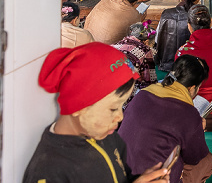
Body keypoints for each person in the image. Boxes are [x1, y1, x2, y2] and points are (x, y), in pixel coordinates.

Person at [23, 42, 170, 183]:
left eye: (121, 106)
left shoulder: (108, 137)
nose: (120, 116)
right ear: (79, 106)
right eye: (113, 108)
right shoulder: (48, 171)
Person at [119, 55, 212, 183]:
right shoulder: (189, 113)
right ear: (192, 88)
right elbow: (194, 158)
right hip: (153, 178)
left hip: (118, 171)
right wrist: (199, 130)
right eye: (198, 88)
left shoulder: (142, 94)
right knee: (208, 161)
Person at [155, 0, 201, 72]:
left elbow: (157, 39)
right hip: (190, 66)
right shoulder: (199, 16)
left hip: (166, 64)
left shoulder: (166, 13)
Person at [113, 21, 158, 108]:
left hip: (102, 92)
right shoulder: (145, 51)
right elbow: (149, 81)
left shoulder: (116, 44)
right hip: (122, 96)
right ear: (147, 42)